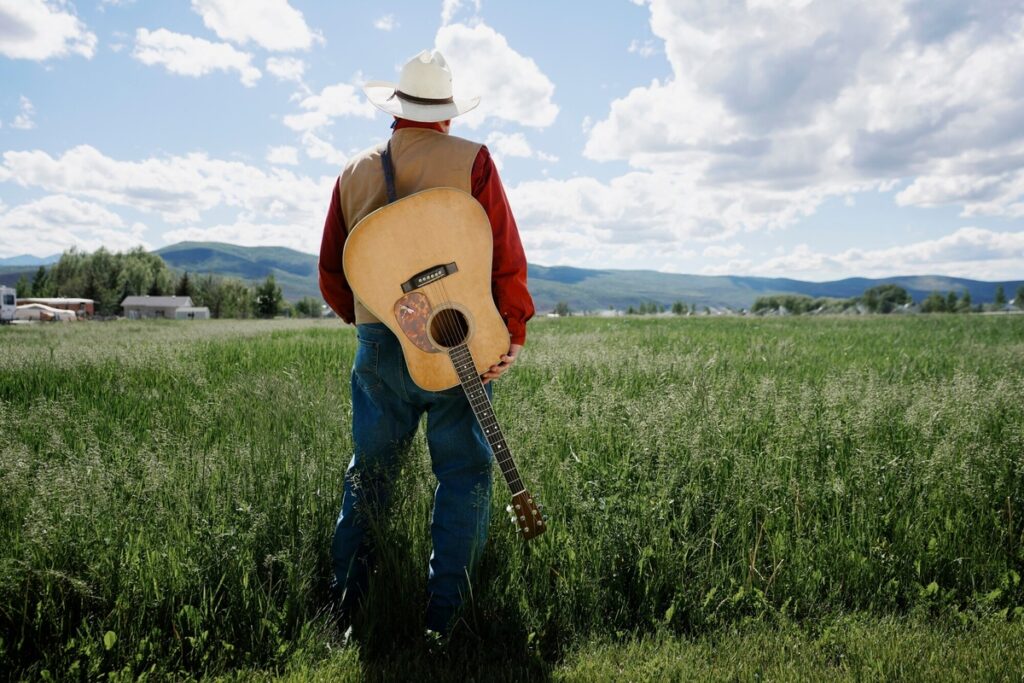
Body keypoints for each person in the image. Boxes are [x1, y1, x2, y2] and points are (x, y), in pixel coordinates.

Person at [318, 49, 535, 638]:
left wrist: (371, 324)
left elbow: (333, 273)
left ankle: (347, 612)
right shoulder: (473, 160)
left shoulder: (353, 171)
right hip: (456, 341)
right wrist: (508, 333)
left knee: (370, 475)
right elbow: (504, 257)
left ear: (397, 108)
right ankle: (446, 621)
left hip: (379, 343)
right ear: (446, 113)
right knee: (463, 473)